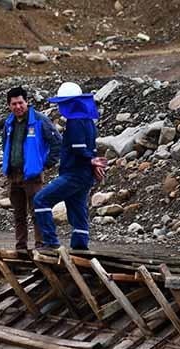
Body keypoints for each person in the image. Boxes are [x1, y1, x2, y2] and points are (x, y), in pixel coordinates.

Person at [33, 82, 106, 251]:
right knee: (77, 209)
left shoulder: (75, 122)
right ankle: (80, 246)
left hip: (74, 173)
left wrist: (90, 160)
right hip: (85, 175)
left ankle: (50, 242)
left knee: (41, 199)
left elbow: (78, 148)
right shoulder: (88, 121)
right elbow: (89, 148)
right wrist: (92, 162)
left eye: (63, 102)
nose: (60, 106)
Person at [1, 87, 61, 251]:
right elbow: (5, 144)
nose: (18, 106)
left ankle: (40, 245)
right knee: (18, 214)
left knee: (37, 212)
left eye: (20, 102)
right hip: (14, 175)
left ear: (27, 102)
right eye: (14, 104)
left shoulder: (39, 120)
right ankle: (21, 247)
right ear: (9, 105)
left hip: (33, 175)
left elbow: (57, 142)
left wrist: (46, 163)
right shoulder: (9, 123)